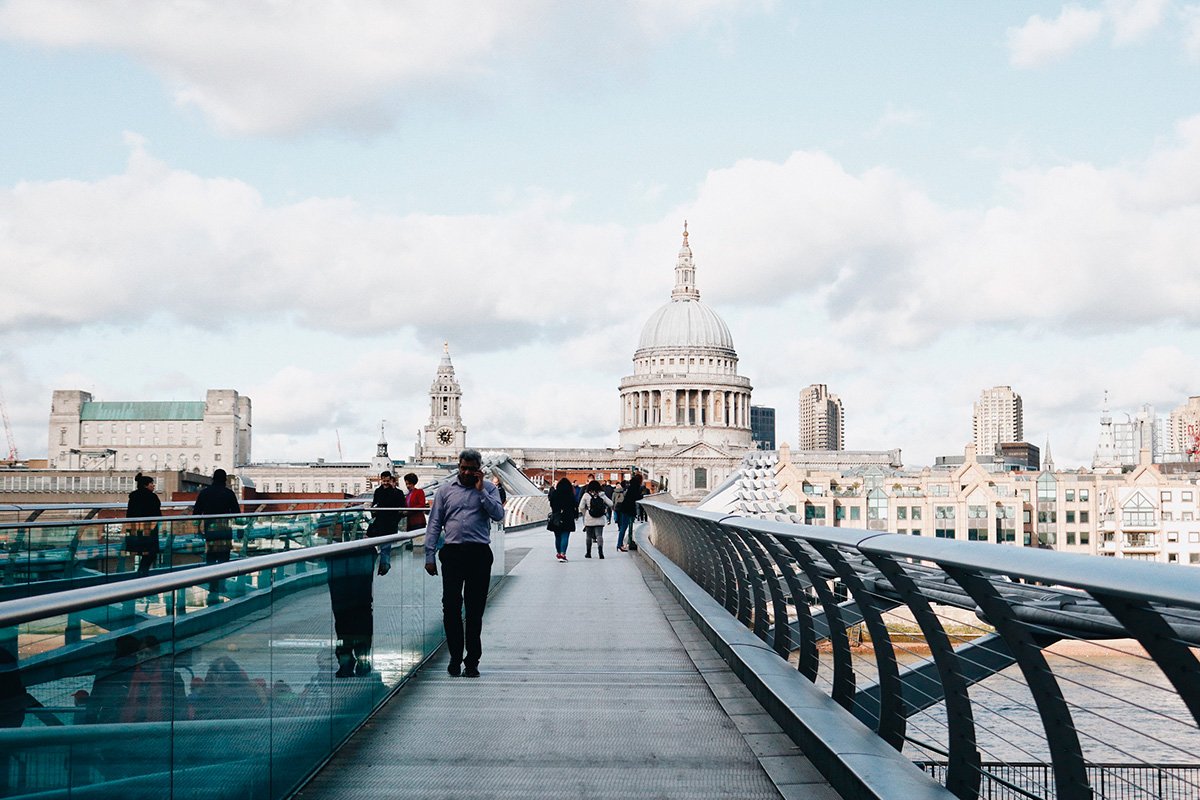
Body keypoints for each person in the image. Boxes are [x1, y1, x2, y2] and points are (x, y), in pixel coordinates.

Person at [424, 449, 505, 678]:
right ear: (458, 467)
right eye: (463, 468)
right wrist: (429, 555)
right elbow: (435, 523)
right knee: (450, 608)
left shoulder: (489, 489)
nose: (467, 472)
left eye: (471, 468)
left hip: (479, 554)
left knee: (474, 610)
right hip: (452, 553)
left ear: (479, 469)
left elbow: (498, 515)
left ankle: (472, 661)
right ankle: (455, 656)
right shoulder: (445, 491)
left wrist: (481, 492)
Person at [192, 468, 241, 566]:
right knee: (224, 562)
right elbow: (237, 514)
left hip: (210, 530)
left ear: (213, 479)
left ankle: (212, 579)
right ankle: (222, 579)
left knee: (211, 559)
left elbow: (196, 513)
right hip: (225, 531)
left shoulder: (204, 493)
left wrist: (197, 526)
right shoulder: (229, 493)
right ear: (225, 480)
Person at [368, 471, 406, 576]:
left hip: (389, 521)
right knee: (384, 544)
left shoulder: (395, 492)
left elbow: (402, 507)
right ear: (381, 480)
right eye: (384, 481)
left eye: (387, 481)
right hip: (382, 521)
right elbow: (375, 504)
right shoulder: (380, 491)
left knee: (385, 544)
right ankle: (384, 565)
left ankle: (384, 565)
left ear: (390, 480)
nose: (385, 483)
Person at [124, 473, 161, 574]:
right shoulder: (152, 497)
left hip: (135, 529)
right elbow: (157, 514)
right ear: (145, 485)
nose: (153, 485)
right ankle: (142, 572)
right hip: (149, 529)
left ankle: (141, 572)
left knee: (141, 551)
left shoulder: (133, 497)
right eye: (151, 483)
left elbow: (130, 513)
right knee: (151, 552)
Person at [578, 479, 613, 559]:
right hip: (600, 518)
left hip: (589, 518)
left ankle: (588, 553)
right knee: (599, 535)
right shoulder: (602, 495)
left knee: (588, 536)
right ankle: (600, 551)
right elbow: (611, 503)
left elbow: (581, 507)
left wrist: (585, 513)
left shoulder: (586, 495)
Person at [547, 477, 576, 562]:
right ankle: (563, 554)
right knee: (565, 535)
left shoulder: (555, 493)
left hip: (556, 516)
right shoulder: (570, 495)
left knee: (557, 536)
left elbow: (551, 504)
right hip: (568, 517)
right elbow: (575, 504)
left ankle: (559, 552)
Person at [617, 473, 645, 552]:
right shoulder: (635, 487)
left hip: (625, 508)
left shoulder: (631, 485)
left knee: (624, 527)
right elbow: (636, 497)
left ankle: (620, 544)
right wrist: (643, 496)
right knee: (624, 527)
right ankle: (619, 545)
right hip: (628, 509)